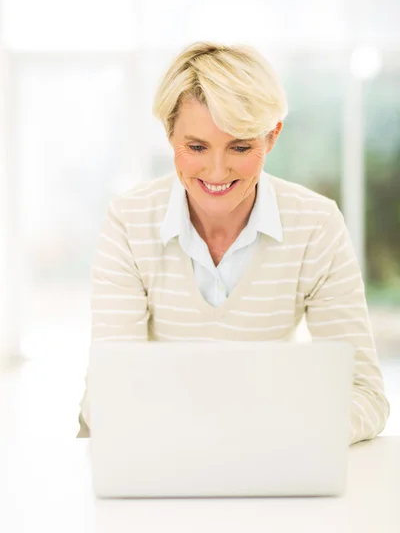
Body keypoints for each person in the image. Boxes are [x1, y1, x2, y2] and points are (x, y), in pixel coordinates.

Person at [77, 41, 390, 444]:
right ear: (169, 136)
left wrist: (277, 436)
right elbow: (106, 392)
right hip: (154, 458)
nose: (217, 170)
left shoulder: (316, 224)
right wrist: (206, 436)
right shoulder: (129, 220)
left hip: (264, 456)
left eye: (240, 147)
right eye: (196, 147)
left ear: (272, 137)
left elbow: (363, 394)